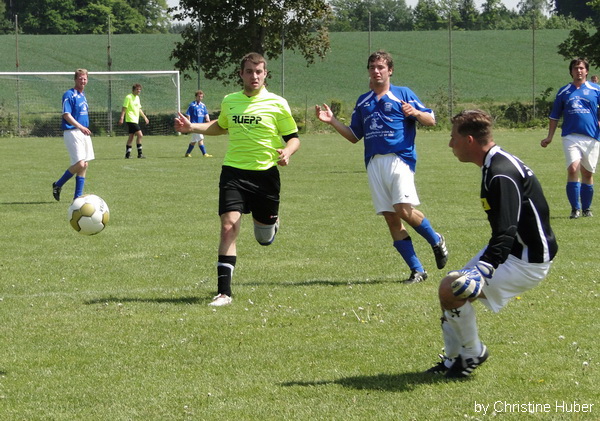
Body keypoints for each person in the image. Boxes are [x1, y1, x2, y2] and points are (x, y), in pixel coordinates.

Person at [426, 110, 558, 378]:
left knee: (450, 289)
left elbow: (507, 229)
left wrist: (484, 269)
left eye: (453, 138)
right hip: (513, 250)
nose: (450, 144)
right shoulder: (494, 163)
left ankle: (472, 353)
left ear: (469, 140)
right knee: (449, 293)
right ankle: (454, 359)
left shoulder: (500, 173)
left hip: (526, 260)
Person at [174, 52, 300, 307]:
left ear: (265, 74)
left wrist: (287, 152)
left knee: (263, 239)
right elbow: (221, 126)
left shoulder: (277, 103)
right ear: (241, 74)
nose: (254, 76)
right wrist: (192, 127)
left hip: (266, 175)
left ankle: (271, 224)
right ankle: (224, 293)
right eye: (249, 71)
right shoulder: (230, 101)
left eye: (259, 71)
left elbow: (293, 138)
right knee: (228, 226)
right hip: (234, 172)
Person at [315, 50, 448, 284]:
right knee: (391, 217)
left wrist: (416, 112)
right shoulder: (363, 101)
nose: (376, 71)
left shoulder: (403, 94)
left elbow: (431, 119)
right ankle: (417, 270)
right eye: (372, 67)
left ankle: (435, 240)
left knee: (403, 209)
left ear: (390, 71)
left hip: (400, 158)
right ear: (368, 71)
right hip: (374, 162)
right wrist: (332, 121)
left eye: (381, 67)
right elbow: (354, 136)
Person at [541, 57, 600, 218]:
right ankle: (575, 209)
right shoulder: (564, 91)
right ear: (571, 71)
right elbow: (554, 116)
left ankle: (587, 209)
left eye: (581, 68)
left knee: (587, 173)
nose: (578, 70)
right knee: (573, 168)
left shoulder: (596, 89)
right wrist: (549, 137)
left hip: (592, 137)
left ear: (586, 71)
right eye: (575, 68)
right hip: (570, 136)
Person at [52, 68, 94, 202]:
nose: (83, 81)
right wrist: (80, 127)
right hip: (73, 131)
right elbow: (66, 114)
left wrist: (84, 128)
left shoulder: (83, 95)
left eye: (85, 78)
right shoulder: (69, 94)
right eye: (80, 78)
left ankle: (77, 197)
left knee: (85, 164)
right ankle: (58, 184)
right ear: (75, 79)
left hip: (83, 132)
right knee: (80, 164)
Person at [119, 83, 149, 159]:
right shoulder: (128, 97)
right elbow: (124, 108)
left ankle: (127, 154)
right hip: (130, 119)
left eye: (140, 89)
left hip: (135, 120)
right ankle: (140, 154)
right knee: (140, 135)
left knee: (131, 136)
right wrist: (122, 117)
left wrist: (145, 117)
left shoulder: (137, 98)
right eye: (137, 89)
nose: (139, 91)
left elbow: (139, 109)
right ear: (133, 90)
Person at [184, 90, 212, 158]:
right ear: (196, 97)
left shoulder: (203, 105)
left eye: (201, 96)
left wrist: (208, 119)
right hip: (194, 125)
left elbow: (206, 113)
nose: (200, 98)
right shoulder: (192, 105)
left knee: (194, 141)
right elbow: (188, 114)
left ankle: (187, 153)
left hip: (201, 125)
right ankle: (204, 154)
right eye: (199, 96)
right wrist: (188, 124)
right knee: (200, 139)